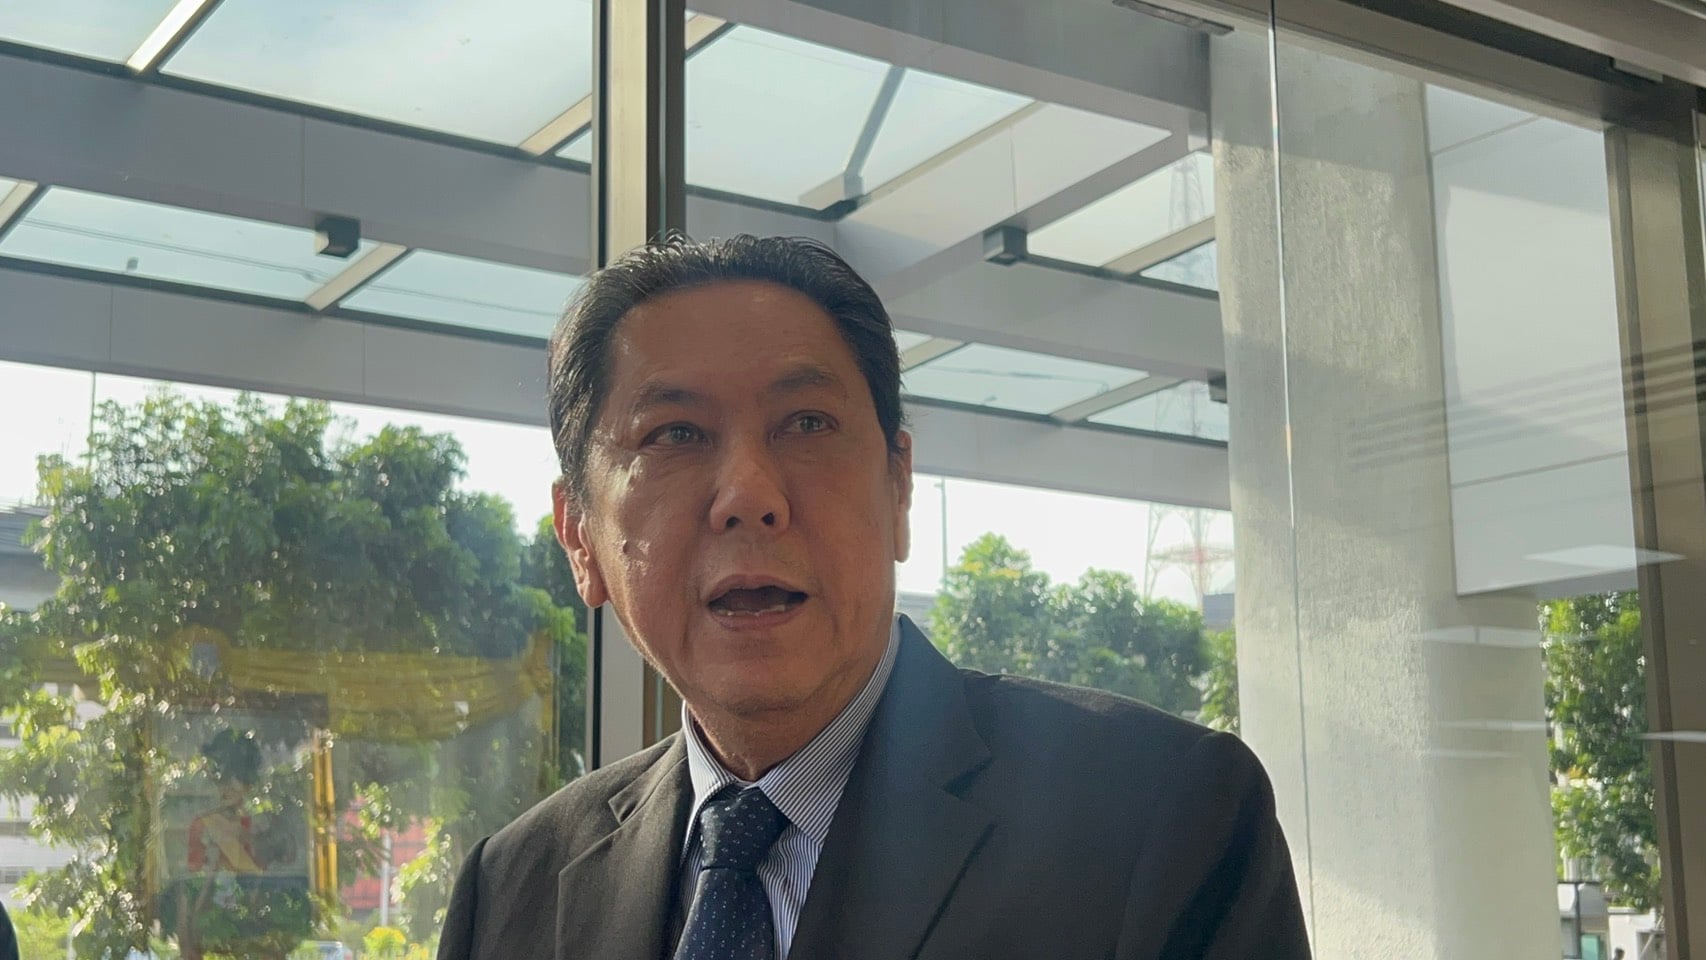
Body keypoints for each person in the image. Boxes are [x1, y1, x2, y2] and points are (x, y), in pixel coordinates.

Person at [436, 235, 1310, 960]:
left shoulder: (1161, 817)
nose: (750, 494)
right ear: (579, 536)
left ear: (898, 489)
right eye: (675, 434)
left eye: (807, 424)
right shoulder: (510, 889)